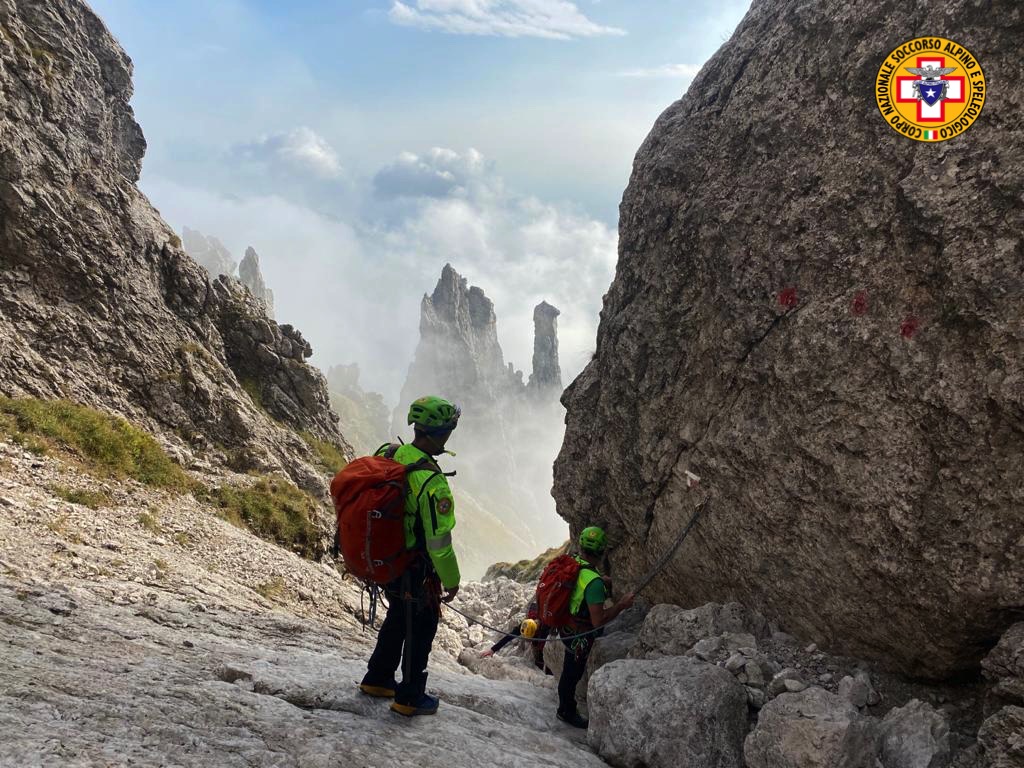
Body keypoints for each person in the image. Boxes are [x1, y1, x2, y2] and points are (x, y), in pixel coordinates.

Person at [358, 396, 462, 717]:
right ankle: (410, 696)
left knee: (398, 616)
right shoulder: (432, 480)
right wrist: (451, 579)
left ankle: (378, 677)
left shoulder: (388, 452)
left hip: (386, 559)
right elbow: (439, 541)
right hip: (415, 567)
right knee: (422, 624)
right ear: (441, 433)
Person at [557, 526, 634, 729]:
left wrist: (601, 580)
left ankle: (565, 707)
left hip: (565, 626)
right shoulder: (594, 584)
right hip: (579, 636)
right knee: (571, 673)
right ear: (602, 552)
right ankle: (566, 711)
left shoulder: (574, 562)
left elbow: (584, 579)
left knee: (568, 670)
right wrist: (621, 605)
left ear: (581, 546)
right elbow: (598, 621)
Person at [480, 598, 551, 673]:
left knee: (541, 652)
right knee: (538, 653)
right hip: (540, 618)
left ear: (536, 631)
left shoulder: (547, 628)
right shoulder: (526, 624)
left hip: (547, 634)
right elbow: (509, 637)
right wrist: (492, 650)